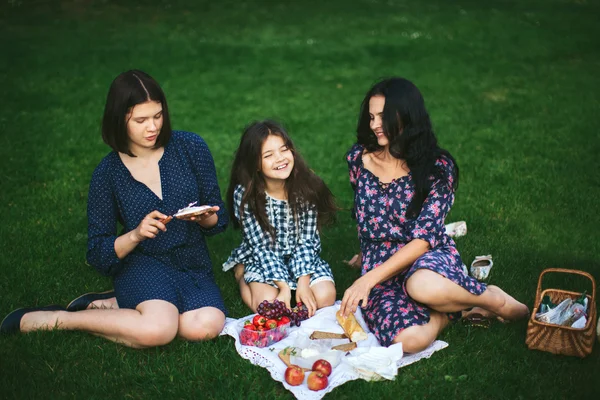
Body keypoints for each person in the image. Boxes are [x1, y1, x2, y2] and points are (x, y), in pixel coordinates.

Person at [0, 70, 228, 348]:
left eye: (157, 116)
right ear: (119, 119)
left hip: (192, 261)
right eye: (140, 120)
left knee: (205, 327)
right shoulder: (107, 173)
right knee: (158, 330)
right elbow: (98, 252)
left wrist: (206, 217)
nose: (153, 127)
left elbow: (219, 219)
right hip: (144, 261)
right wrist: (136, 234)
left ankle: (118, 303)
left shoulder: (191, 147)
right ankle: (59, 318)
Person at [339, 77, 529, 353]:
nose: (374, 125)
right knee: (407, 341)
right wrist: (365, 255)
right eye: (371, 117)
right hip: (380, 267)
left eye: (383, 116)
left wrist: (367, 280)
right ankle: (450, 313)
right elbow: (363, 215)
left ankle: (491, 299)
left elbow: (425, 238)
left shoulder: (437, 167)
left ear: (407, 116)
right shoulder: (358, 159)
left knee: (422, 286)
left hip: (425, 255)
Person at [223, 120, 337, 317]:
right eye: (268, 155)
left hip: (300, 255)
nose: (280, 159)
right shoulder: (246, 195)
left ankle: (298, 281)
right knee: (267, 307)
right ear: (255, 164)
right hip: (264, 257)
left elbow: (308, 241)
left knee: (325, 298)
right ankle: (241, 274)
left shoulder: (306, 186)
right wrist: (284, 287)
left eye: (284, 150)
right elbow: (261, 247)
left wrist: (303, 282)